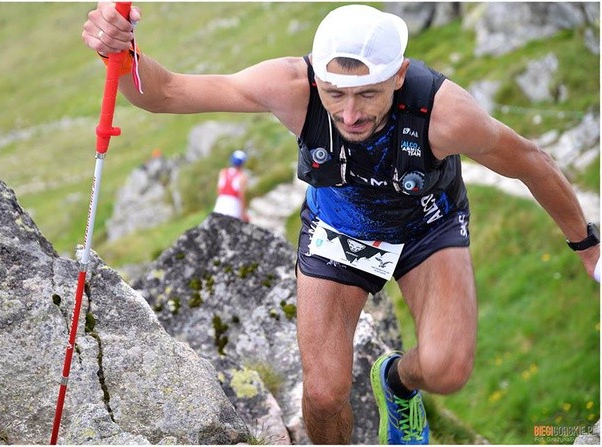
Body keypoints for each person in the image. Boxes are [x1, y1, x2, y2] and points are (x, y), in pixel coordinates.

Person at [83, 3, 600, 444]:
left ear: (397, 77)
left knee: (447, 369)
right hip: (340, 230)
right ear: (317, 79)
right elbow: (165, 93)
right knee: (325, 395)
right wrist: (121, 53)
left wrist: (587, 245)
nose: (350, 114)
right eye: (335, 94)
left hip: (427, 227)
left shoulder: (445, 114)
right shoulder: (290, 87)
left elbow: (533, 163)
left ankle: (396, 380)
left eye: (368, 95)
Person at [213, 149, 250, 222]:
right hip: (233, 206)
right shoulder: (242, 177)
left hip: (221, 203)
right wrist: (243, 213)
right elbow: (241, 196)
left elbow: (219, 190)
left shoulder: (223, 172)